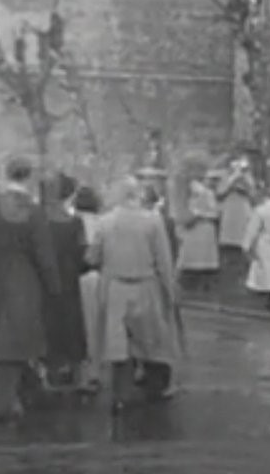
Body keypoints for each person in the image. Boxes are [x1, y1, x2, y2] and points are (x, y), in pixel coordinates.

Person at [0, 158, 61, 423]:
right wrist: (54, 287)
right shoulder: (34, 213)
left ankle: (33, 393)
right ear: (29, 177)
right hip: (26, 282)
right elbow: (44, 255)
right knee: (16, 344)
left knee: (12, 337)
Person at [87, 177, 181, 414]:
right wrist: (170, 291)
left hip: (115, 285)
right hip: (146, 284)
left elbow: (93, 256)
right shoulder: (152, 221)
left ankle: (120, 394)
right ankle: (156, 388)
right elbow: (163, 259)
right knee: (151, 339)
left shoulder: (105, 222)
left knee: (118, 342)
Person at [42, 173, 87, 387]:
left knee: (48, 322)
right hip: (69, 277)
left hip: (44, 277)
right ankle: (74, 368)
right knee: (71, 322)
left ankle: (50, 367)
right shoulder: (74, 222)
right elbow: (81, 252)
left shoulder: (39, 220)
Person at [73, 185, 104, 393]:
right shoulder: (102, 224)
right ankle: (95, 371)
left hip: (77, 277)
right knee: (96, 326)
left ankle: (78, 370)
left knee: (78, 325)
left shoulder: (72, 222)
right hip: (99, 276)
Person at [216, 157, 256, 289]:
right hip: (230, 215)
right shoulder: (225, 177)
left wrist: (245, 181)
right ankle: (228, 280)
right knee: (228, 250)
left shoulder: (248, 177)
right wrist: (233, 178)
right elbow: (220, 192)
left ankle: (244, 279)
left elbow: (254, 195)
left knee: (244, 248)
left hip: (244, 215)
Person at [176, 175, 219, 293]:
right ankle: (188, 285)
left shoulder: (208, 194)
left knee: (203, 259)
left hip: (204, 230)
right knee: (188, 258)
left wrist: (200, 215)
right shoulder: (189, 197)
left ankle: (204, 285)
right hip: (191, 231)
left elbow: (215, 214)